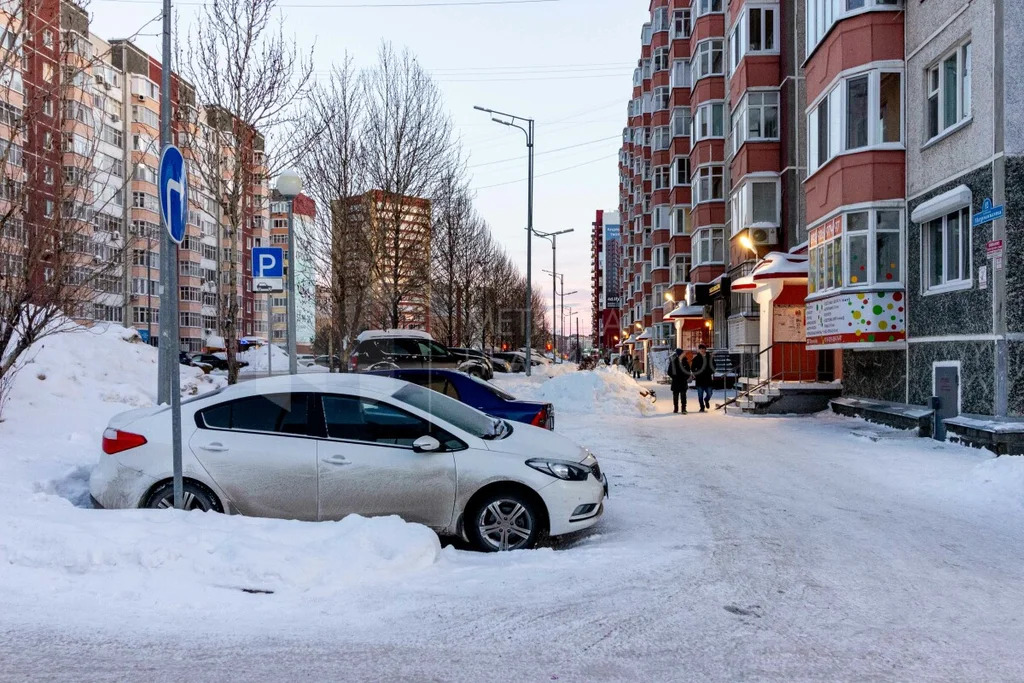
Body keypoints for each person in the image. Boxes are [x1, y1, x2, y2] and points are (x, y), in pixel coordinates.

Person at [667, 347, 690, 414]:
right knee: (675, 396)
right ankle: (676, 408)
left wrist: (686, 377)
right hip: (676, 381)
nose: (684, 354)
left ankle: (683, 408)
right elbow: (669, 371)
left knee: (683, 396)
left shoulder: (685, 361)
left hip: (683, 381)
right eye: (682, 353)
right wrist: (674, 377)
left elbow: (688, 371)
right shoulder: (673, 362)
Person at [692, 344, 715, 412]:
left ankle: (706, 400)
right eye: (700, 349)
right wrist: (696, 373)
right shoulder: (696, 358)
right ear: (699, 350)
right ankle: (702, 407)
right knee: (700, 394)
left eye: (703, 349)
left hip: (708, 378)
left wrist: (710, 371)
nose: (702, 350)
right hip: (699, 379)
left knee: (710, 392)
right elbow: (693, 368)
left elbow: (714, 366)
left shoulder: (710, 358)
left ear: (705, 349)